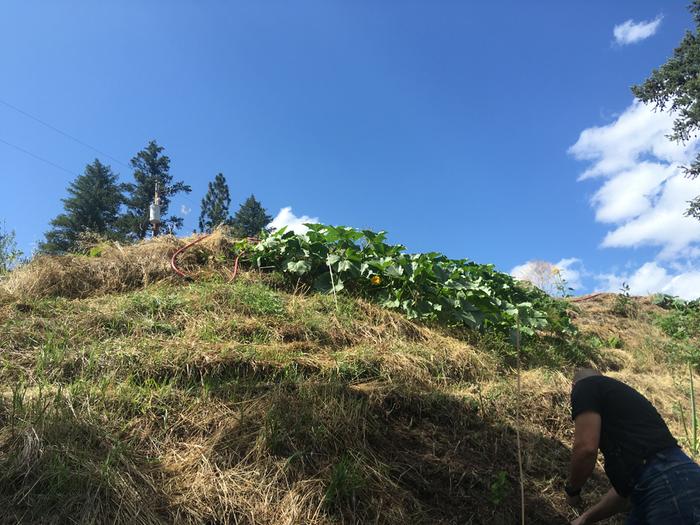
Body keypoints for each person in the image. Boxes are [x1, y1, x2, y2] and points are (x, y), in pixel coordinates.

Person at [565, 368, 700, 524]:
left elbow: (586, 449)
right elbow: (627, 491)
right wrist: (585, 519)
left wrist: (572, 490)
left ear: (573, 386)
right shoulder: (628, 410)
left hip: (670, 482)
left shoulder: (585, 386)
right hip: (679, 478)